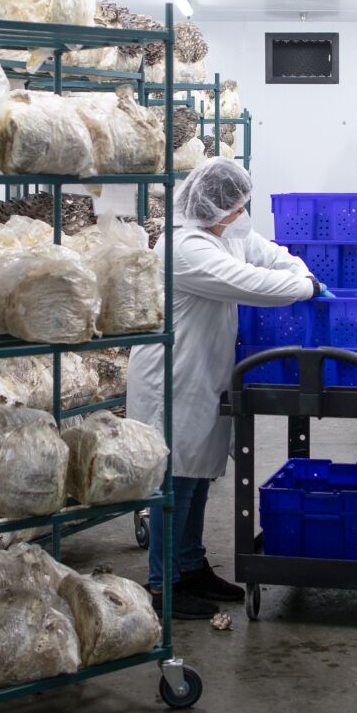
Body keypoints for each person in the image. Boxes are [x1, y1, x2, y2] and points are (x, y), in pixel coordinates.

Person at [127, 158, 331, 617]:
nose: (242, 213)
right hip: (172, 377)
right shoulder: (184, 248)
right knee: (174, 478)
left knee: (199, 474)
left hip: (205, 372)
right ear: (214, 207)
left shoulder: (225, 234)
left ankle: (190, 565)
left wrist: (302, 272)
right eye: (236, 206)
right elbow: (247, 282)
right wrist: (305, 290)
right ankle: (164, 585)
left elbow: (269, 254)